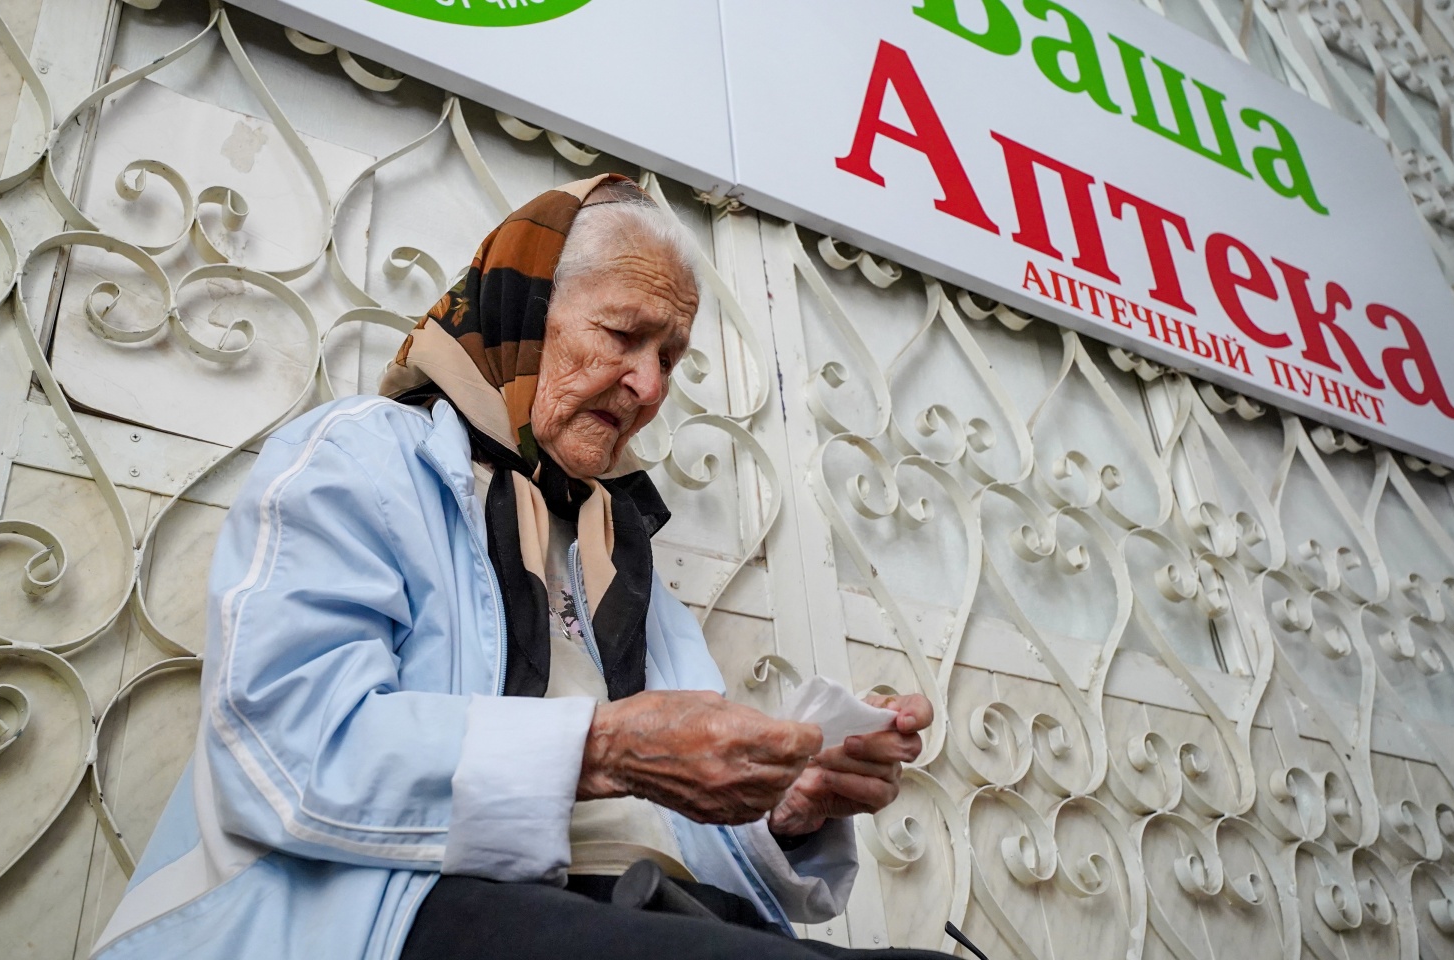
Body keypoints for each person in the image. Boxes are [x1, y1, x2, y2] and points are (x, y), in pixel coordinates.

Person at [92, 175, 965, 960]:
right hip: (389, 915)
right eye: (625, 334)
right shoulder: (361, 458)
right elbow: (284, 753)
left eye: (671, 357)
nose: (651, 387)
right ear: (526, 306)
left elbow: (660, 827)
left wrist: (789, 803)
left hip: (621, 912)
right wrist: (606, 748)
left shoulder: (615, 547)